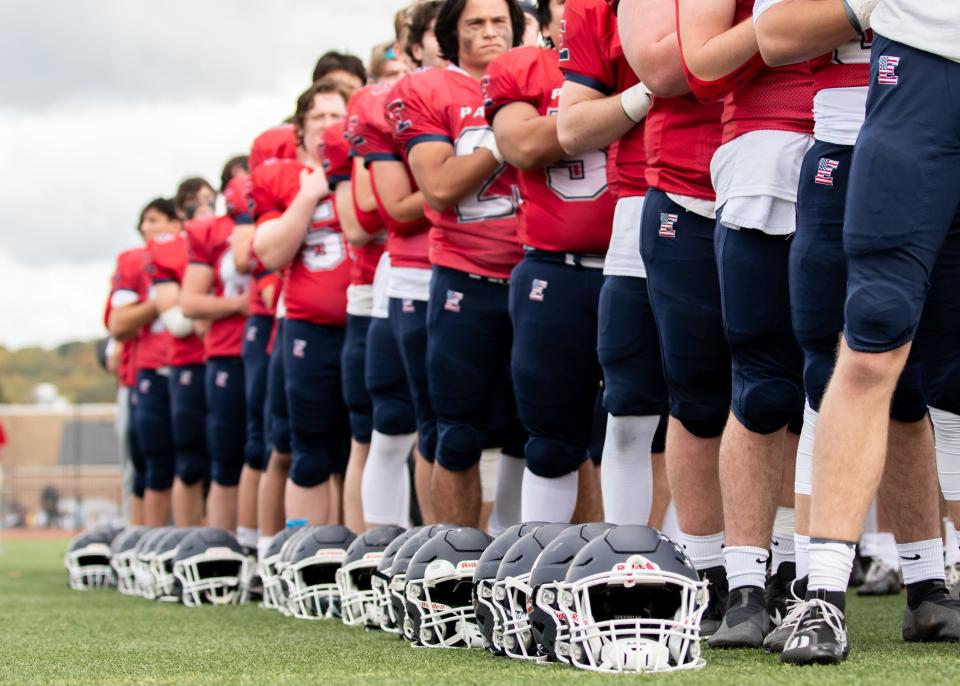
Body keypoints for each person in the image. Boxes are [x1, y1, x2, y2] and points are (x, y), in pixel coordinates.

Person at [757, 0, 960, 664]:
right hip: (923, 72)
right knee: (872, 337)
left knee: (955, 375)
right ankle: (823, 596)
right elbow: (773, 32)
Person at [676, 0, 813, 647]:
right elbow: (696, 61)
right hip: (763, 155)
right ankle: (745, 584)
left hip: (878, 138)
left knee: (864, 380)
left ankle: (815, 576)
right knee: (763, 387)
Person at [389, 0, 527, 528]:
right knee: (458, 431)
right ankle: (456, 557)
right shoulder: (425, 88)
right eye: (476, 23)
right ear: (452, 32)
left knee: (551, 429)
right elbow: (440, 186)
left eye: (499, 21)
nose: (490, 32)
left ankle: (528, 554)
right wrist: (507, 140)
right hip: (462, 276)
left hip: (536, 273)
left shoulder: (540, 77)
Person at [615, 0, 729, 633]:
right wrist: (777, 31)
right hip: (688, 184)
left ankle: (781, 569)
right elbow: (665, 65)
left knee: (789, 391)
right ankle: (710, 568)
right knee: (696, 395)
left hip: (790, 167)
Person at [482, 0, 612, 525]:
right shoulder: (519, 67)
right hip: (554, 266)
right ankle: (542, 564)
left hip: (637, 262)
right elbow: (523, 145)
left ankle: (669, 564)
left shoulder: (635, 54)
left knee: (651, 423)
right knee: (552, 435)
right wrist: (625, 107)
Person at [555, 0, 670, 527]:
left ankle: (746, 568)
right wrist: (653, 86)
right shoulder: (596, 9)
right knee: (628, 406)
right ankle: (632, 560)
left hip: (753, 186)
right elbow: (572, 128)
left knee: (749, 396)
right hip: (643, 203)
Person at [359, 0, 447, 528]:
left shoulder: (503, 83)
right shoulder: (389, 101)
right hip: (416, 270)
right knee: (414, 423)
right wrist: (473, 174)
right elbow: (388, 209)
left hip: (500, 264)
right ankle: (404, 548)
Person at [253, 79, 354, 525]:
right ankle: (306, 554)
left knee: (365, 444)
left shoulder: (370, 168)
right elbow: (269, 252)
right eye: (319, 117)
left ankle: (358, 557)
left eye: (337, 116)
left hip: (365, 321)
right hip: (308, 327)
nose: (328, 126)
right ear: (301, 128)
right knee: (310, 450)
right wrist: (310, 192)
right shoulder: (282, 177)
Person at [181, 174, 255, 536]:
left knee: (270, 452)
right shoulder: (209, 232)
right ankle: (222, 546)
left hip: (275, 344)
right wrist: (238, 304)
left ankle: (266, 543)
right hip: (228, 351)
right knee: (226, 458)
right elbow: (190, 301)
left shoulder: (281, 217)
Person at [107, 198, 180, 527]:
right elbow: (118, 324)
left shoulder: (195, 252)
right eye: (144, 221)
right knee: (146, 467)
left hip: (189, 368)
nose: (146, 228)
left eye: (154, 220)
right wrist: (161, 298)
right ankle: (141, 541)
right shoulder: (134, 262)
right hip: (147, 371)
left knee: (195, 465)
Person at [144, 201, 209, 527]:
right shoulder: (165, 251)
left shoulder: (224, 237)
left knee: (226, 459)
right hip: (187, 362)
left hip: (225, 356)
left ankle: (222, 541)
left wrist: (205, 308)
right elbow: (180, 323)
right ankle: (184, 539)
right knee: (187, 461)